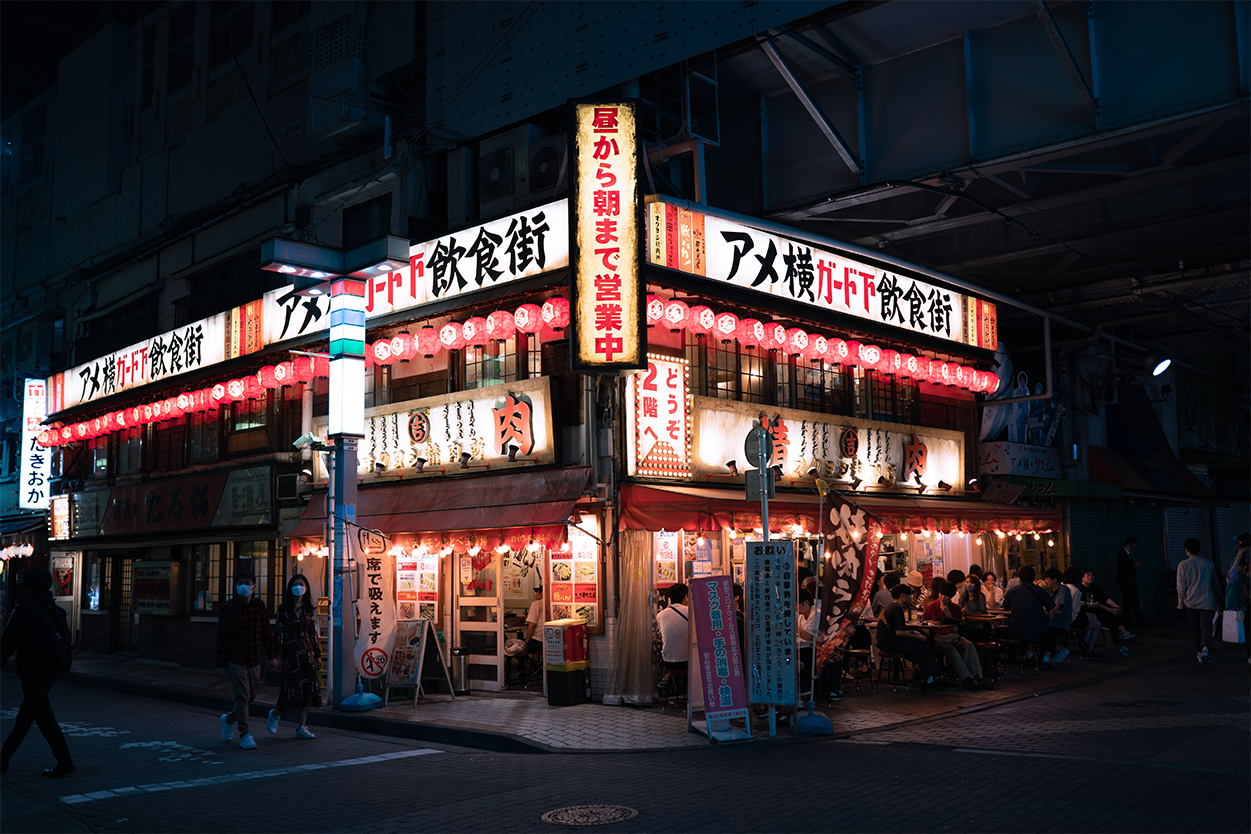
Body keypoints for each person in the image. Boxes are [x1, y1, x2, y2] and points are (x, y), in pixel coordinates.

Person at [0, 569, 74, 776]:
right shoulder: (57, 611)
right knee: (28, 714)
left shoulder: (25, 610)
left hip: (30, 669)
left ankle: (65, 761)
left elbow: (7, 643)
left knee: (42, 716)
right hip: (50, 669)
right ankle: (4, 759)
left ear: (29, 588)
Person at [215, 569, 278, 750]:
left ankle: (228, 719)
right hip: (235, 658)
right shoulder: (229, 608)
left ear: (254, 586)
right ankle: (245, 734)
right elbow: (222, 637)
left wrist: (272, 656)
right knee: (242, 695)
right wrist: (220, 664)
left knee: (251, 696)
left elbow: (266, 632)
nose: (245, 586)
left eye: (248, 583)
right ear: (236, 586)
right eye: (241, 582)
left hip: (254, 657)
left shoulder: (259, 606)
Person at [267, 574, 321, 740]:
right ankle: (276, 713)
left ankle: (302, 727)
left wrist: (317, 655)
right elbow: (279, 633)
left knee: (307, 689)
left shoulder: (308, 609)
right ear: (291, 588)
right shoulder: (284, 610)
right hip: (291, 655)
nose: (299, 587)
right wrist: (274, 655)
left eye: (302, 584)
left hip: (307, 653)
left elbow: (312, 632)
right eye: (296, 584)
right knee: (290, 687)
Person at [923, 582, 992, 689]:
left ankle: (979, 676)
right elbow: (924, 625)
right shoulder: (931, 606)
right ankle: (968, 678)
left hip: (952, 635)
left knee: (969, 645)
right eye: (942, 594)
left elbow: (955, 629)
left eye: (946, 595)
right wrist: (930, 636)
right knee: (951, 650)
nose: (943, 597)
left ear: (951, 596)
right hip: (937, 636)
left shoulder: (954, 608)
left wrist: (948, 613)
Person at [876, 584, 941, 690]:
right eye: (909, 595)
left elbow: (897, 629)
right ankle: (929, 680)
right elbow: (899, 632)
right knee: (923, 646)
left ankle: (922, 674)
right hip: (892, 644)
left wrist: (911, 632)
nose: (910, 598)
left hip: (885, 642)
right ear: (903, 595)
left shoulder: (890, 607)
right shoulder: (897, 608)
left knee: (921, 649)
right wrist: (916, 637)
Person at [1176, 538, 1220, 665]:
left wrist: (1180, 604)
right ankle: (1205, 649)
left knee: (1195, 628)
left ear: (1186, 550)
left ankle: (1199, 651)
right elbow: (1215, 583)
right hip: (1207, 601)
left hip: (1191, 602)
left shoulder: (1183, 565)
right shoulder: (1209, 564)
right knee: (1206, 627)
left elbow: (1181, 586)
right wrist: (1219, 597)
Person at [1003, 566, 1056, 660]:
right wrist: (1047, 624)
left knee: (1015, 632)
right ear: (1033, 577)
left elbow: (1005, 607)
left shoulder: (1012, 591)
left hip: (1017, 629)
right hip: (1038, 629)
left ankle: (1028, 655)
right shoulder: (1040, 591)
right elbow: (1051, 609)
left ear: (1019, 578)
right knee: (1051, 634)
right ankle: (1045, 659)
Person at [1080, 568, 1136, 642]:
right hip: (1091, 612)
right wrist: (1111, 610)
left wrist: (1116, 606)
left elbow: (1105, 598)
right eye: (1088, 575)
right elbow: (1096, 604)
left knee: (1116, 614)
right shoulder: (1080, 590)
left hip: (1102, 610)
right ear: (1082, 577)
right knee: (1112, 620)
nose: (1090, 577)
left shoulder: (1096, 587)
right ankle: (1121, 641)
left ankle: (1123, 633)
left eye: (1092, 575)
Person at [656, 584, 690, 693]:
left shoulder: (660, 615)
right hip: (687, 662)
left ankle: (667, 677)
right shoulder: (691, 612)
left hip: (668, 662)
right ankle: (690, 695)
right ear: (686, 597)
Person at [1228, 533, 1251, 690]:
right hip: (1249, 609)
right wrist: (1238, 557)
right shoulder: (1242, 569)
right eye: (1245, 553)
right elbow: (1230, 577)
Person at [1064, 566, 1101, 657]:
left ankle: (1085, 645)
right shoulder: (1075, 590)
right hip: (1070, 620)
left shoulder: (1062, 587)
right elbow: (1075, 610)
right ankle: (1088, 648)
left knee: (1093, 619)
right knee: (1097, 623)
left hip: (1063, 618)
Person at [1114, 535, 1149, 628]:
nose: (1134, 549)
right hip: (1126, 582)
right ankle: (1131, 622)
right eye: (1133, 547)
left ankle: (1135, 621)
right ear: (1128, 545)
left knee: (1132, 602)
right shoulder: (1122, 554)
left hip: (1128, 581)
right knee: (1129, 602)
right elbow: (1123, 568)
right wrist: (1135, 565)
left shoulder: (1125, 553)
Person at [1041, 569, 1073, 665]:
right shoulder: (1046, 589)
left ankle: (1046, 658)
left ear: (1054, 580)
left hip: (1061, 621)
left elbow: (1057, 607)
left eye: (1047, 579)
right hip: (1047, 619)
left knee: (1049, 633)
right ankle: (1058, 650)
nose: (1045, 581)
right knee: (1040, 632)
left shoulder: (1064, 590)